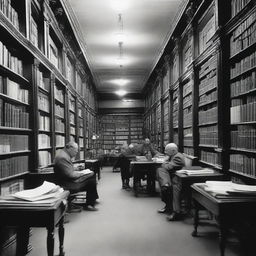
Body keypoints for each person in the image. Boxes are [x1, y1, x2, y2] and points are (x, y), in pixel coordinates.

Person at [54, 141, 99, 211]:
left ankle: (93, 198)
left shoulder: (63, 154)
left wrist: (77, 169)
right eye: (75, 151)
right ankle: (90, 203)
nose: (76, 153)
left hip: (66, 181)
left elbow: (67, 169)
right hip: (67, 184)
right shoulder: (63, 157)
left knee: (91, 175)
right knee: (91, 181)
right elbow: (70, 175)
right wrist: (82, 173)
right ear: (70, 148)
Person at [156, 143, 185, 221]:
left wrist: (165, 161)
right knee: (160, 171)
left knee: (161, 171)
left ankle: (176, 212)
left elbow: (168, 167)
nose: (165, 152)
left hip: (179, 179)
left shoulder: (178, 157)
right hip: (173, 176)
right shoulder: (173, 155)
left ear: (173, 150)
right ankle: (168, 205)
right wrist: (166, 162)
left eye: (166, 150)